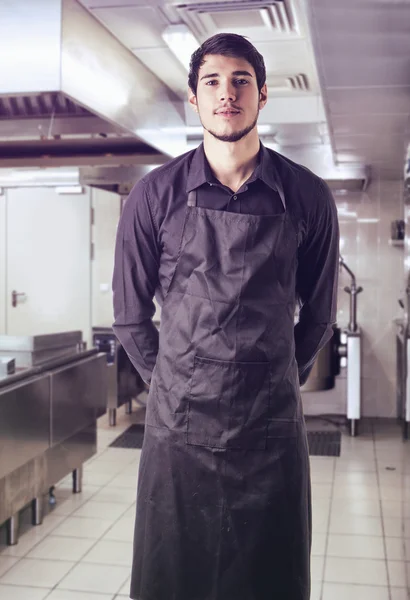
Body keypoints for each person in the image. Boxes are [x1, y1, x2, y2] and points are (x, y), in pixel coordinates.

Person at [112, 32, 339, 600]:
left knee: (268, 580)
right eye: (212, 81)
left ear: (263, 96)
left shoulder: (308, 197)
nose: (226, 94)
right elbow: (130, 317)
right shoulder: (153, 197)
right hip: (179, 436)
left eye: (240, 81)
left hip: (271, 433)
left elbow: (319, 314)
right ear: (194, 98)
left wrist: (277, 376)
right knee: (175, 579)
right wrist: (173, 383)